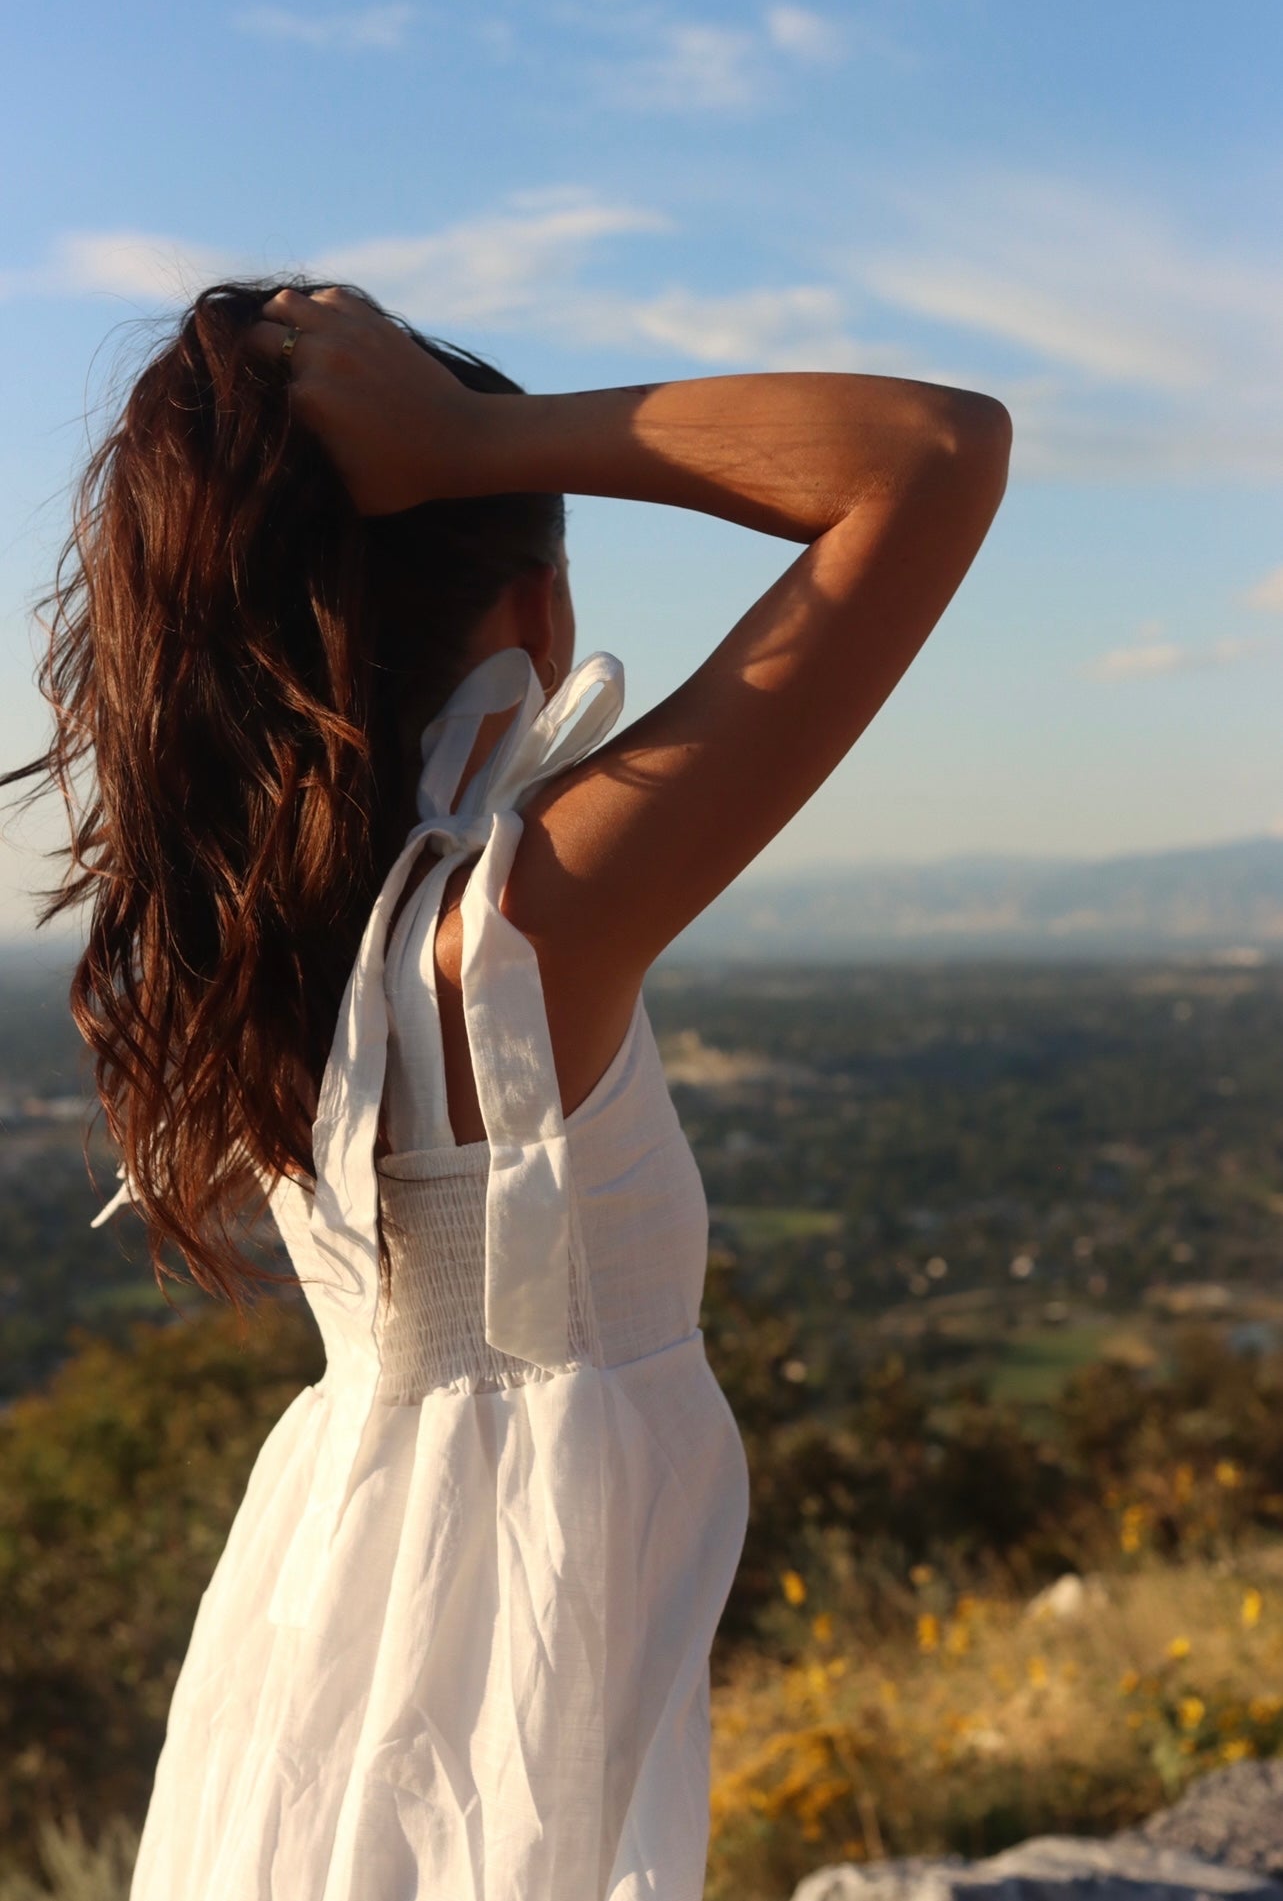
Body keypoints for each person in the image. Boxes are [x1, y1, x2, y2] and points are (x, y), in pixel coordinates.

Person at [11, 279, 1011, 1899]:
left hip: (330, 1622)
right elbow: (939, 452)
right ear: (537, 610)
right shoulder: (521, 925)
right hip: (483, 1686)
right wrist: (481, 439)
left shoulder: (297, 945)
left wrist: (457, 454)